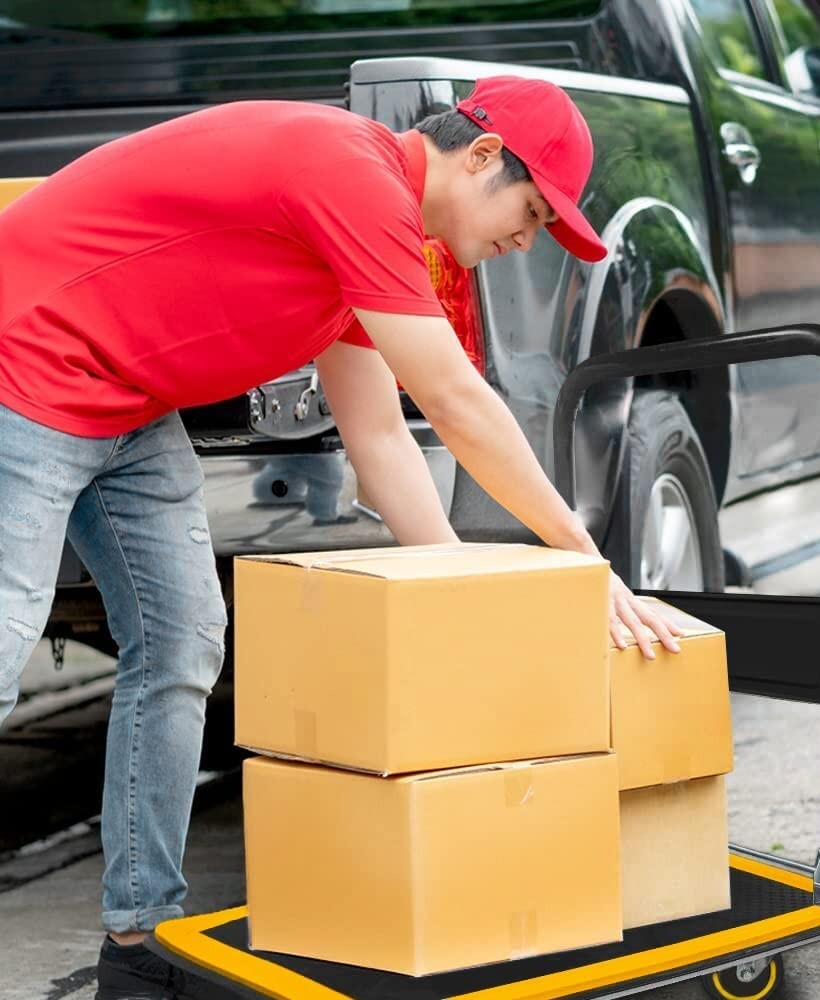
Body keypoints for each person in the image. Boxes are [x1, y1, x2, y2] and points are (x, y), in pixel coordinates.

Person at [0, 75, 684, 997]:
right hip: (24, 361)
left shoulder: (379, 234)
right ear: (480, 156)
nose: (527, 241)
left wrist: (464, 602)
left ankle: (139, 943)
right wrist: (582, 558)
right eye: (530, 212)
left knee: (181, 641)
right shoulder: (349, 172)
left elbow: (382, 439)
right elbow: (456, 402)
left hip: (126, 402)